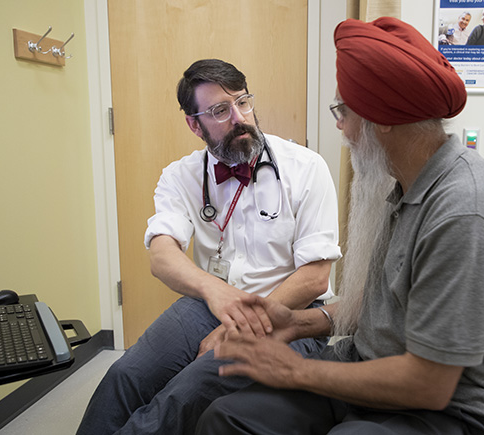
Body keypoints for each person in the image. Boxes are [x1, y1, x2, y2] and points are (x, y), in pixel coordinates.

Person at [197, 17, 484, 435]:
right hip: (373, 369)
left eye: (343, 111)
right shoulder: (404, 186)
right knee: (228, 418)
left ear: (383, 117)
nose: (340, 126)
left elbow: (430, 385)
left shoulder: (466, 212)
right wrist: (299, 322)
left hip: (463, 409)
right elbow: (386, 307)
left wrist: (294, 371)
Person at [76, 59, 342, 434]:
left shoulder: (306, 168)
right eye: (219, 110)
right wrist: (216, 293)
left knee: (186, 393)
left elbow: (315, 278)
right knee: (125, 375)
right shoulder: (180, 175)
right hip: (208, 306)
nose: (239, 117)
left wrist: (241, 324)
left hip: (289, 312)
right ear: (193, 123)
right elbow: (162, 255)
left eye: (243, 102)